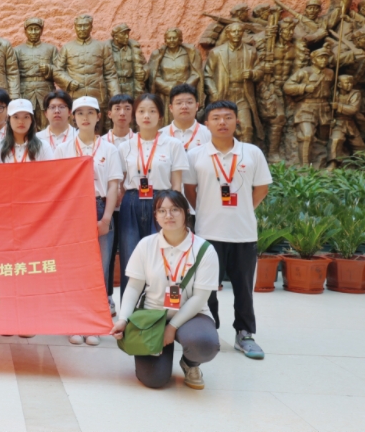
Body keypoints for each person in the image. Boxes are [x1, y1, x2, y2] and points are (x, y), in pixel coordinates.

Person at [184, 101, 272, 360]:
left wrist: (244, 209)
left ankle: (244, 333)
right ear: (207, 123)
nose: (222, 122)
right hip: (208, 233)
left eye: (228, 117)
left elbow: (262, 188)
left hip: (243, 233)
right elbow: (190, 190)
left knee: (244, 288)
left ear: (236, 121)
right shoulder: (196, 155)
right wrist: (205, 210)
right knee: (207, 288)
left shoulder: (251, 152)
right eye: (216, 118)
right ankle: (209, 330)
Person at [110, 191, 220, 390]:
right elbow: (133, 287)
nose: (168, 215)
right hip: (152, 314)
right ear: (156, 215)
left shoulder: (204, 249)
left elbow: (200, 298)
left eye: (175, 209)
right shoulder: (146, 245)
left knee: (204, 344)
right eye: (162, 211)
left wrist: (172, 327)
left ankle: (190, 363)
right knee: (154, 380)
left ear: (186, 212)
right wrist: (123, 319)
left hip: (191, 315)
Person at [54, 96, 121, 345]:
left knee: (99, 268)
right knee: (73, 267)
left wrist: (106, 218)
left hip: (100, 206)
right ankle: (74, 321)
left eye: (90, 112)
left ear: (98, 117)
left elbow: (113, 186)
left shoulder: (109, 149)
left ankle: (92, 324)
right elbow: (58, 186)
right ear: (73, 117)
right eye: (80, 113)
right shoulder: (63, 149)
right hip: (72, 210)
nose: (85, 117)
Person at [118, 93, 188, 298]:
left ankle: (157, 307)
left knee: (160, 256)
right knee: (130, 256)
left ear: (161, 116)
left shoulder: (173, 144)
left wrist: (174, 211)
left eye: (152, 111)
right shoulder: (124, 146)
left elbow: (177, 184)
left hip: (162, 203)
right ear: (134, 115)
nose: (146, 116)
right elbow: (120, 181)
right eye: (141, 111)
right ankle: (129, 311)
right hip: (131, 202)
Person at [159, 84, 211, 229]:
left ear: (197, 106)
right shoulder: (160, 135)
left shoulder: (209, 135)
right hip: (168, 207)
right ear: (170, 108)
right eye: (179, 103)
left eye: (189, 102)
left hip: (201, 204)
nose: (184, 106)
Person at [102, 93, 134, 312]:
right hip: (107, 206)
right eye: (117, 109)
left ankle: (132, 300)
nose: (122, 113)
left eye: (127, 108)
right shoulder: (101, 143)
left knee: (131, 252)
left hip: (131, 205)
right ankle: (107, 296)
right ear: (109, 114)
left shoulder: (140, 141)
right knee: (108, 254)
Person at [0, 99, 54, 163]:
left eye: (26, 117)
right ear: (8, 120)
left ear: (31, 120)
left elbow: (51, 169)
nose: (21, 121)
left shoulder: (43, 146)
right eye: (16, 117)